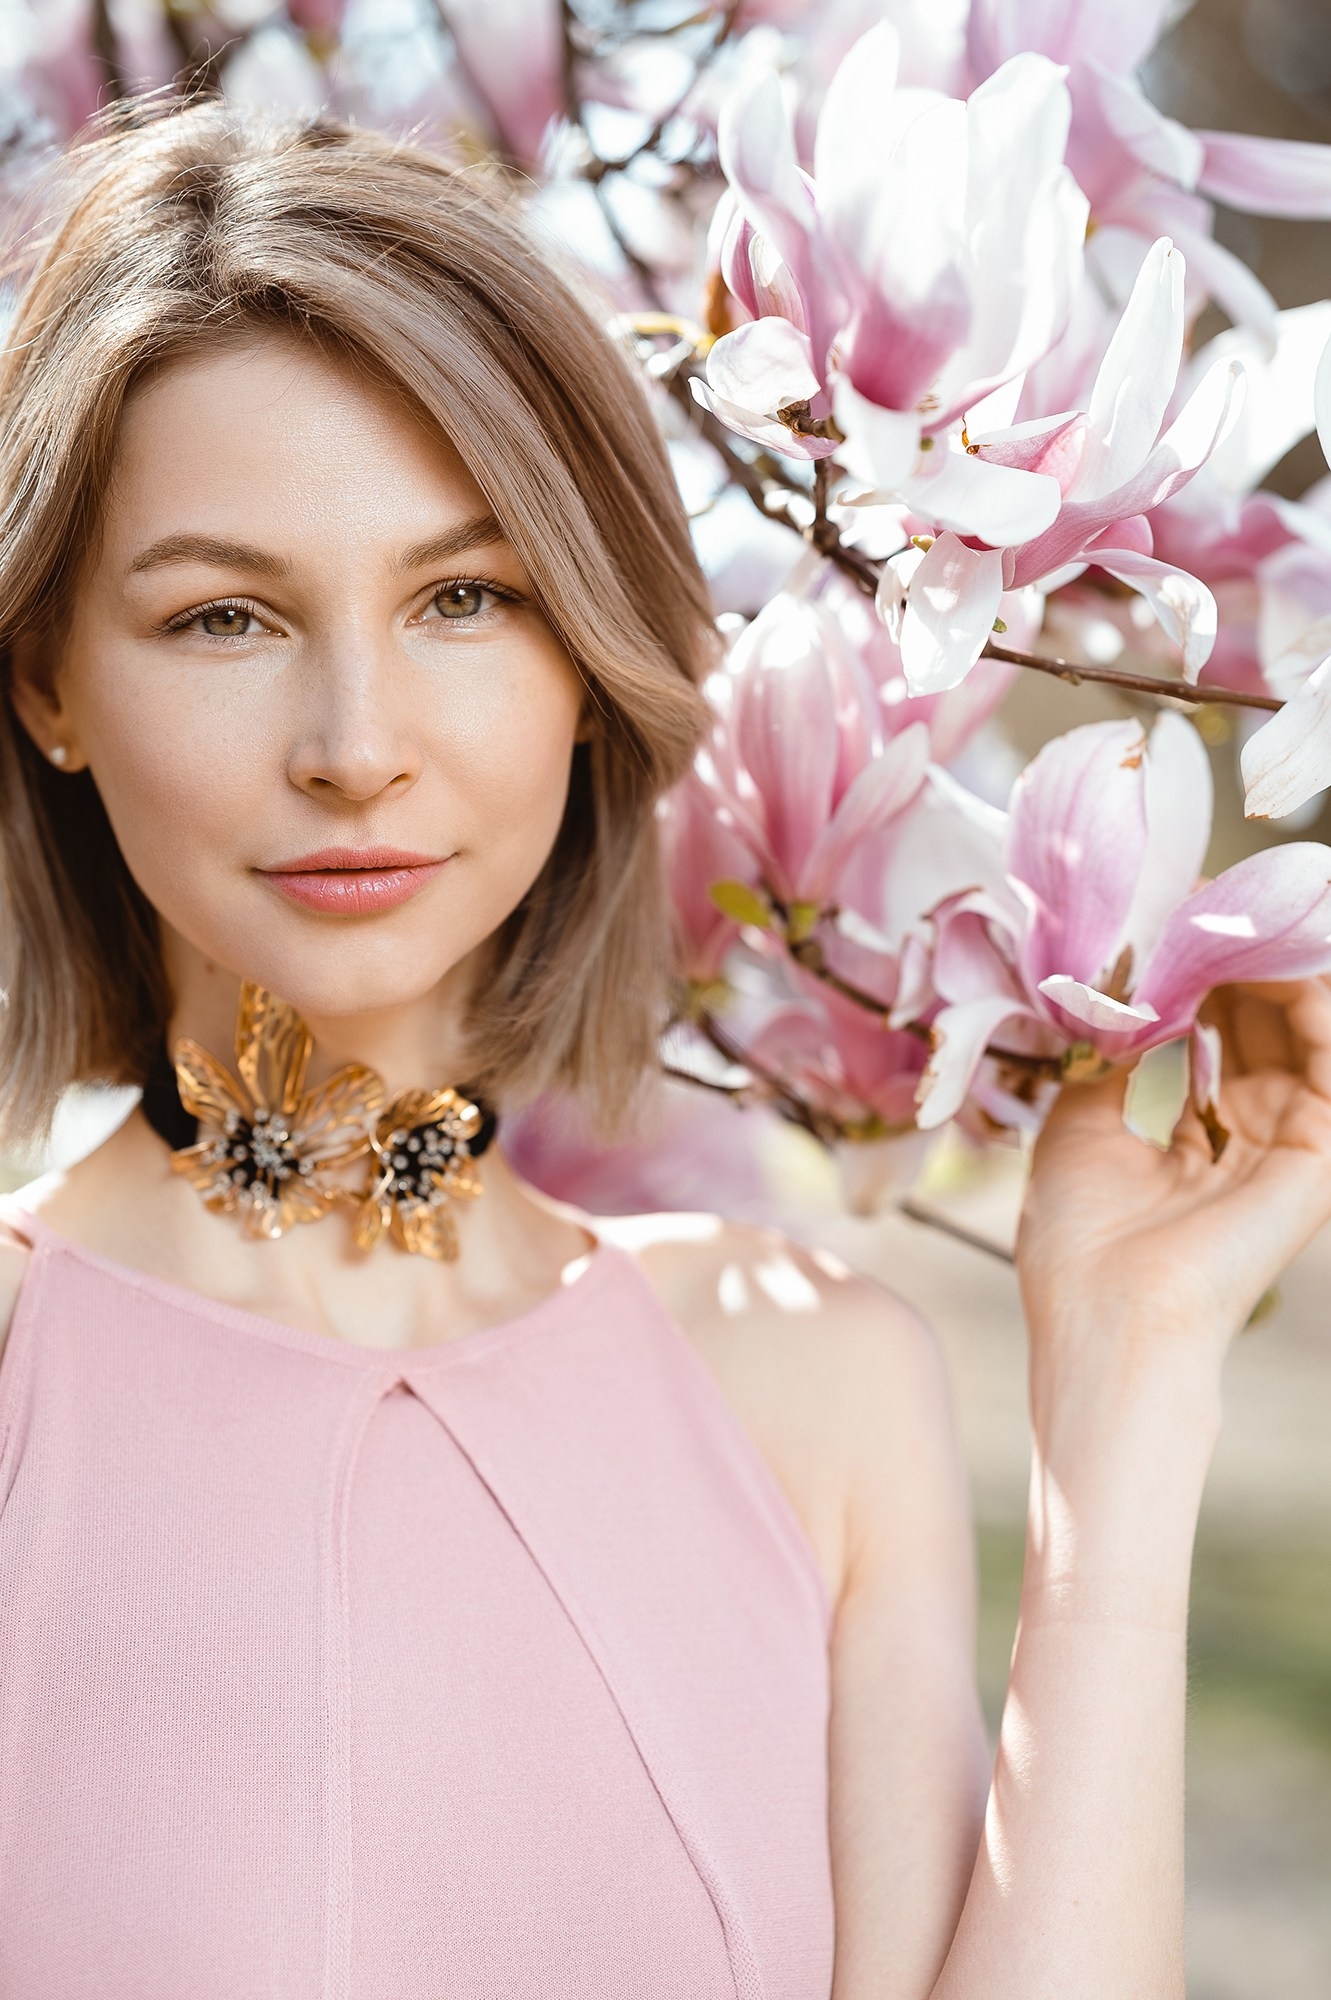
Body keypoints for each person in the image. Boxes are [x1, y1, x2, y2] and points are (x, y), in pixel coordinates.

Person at [1, 99, 1329, 2000]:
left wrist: (1131, 1379)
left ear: (590, 649)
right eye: (223, 614)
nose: (356, 739)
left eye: (467, 596)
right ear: (50, 677)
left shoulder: (805, 1387)